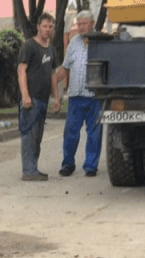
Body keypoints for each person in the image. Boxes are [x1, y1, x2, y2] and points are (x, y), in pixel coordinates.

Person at [53, 11, 102, 178]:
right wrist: (55, 89)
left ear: (92, 23)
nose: (81, 27)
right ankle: (68, 164)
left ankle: (90, 166)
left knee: (94, 134)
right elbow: (65, 68)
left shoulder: (100, 42)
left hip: (95, 97)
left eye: (84, 23)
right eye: (78, 24)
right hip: (75, 96)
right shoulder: (74, 43)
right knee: (70, 133)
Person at [17, 13, 58, 181]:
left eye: (50, 27)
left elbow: (53, 74)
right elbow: (21, 71)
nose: (47, 30)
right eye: (44, 26)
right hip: (31, 99)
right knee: (29, 135)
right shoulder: (29, 46)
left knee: (38, 136)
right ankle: (28, 170)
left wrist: (56, 97)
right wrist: (25, 95)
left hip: (43, 100)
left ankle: (33, 167)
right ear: (38, 27)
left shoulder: (51, 49)